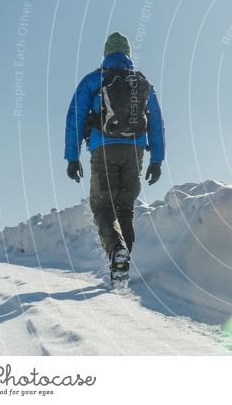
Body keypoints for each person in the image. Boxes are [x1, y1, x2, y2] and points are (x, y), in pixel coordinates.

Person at [64, 32, 165, 285]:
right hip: (135, 150)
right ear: (128, 54)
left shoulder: (94, 79)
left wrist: (72, 157)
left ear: (106, 53)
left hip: (103, 148)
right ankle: (121, 266)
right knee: (125, 208)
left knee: (102, 205)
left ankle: (116, 255)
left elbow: (75, 117)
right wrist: (157, 160)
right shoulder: (142, 82)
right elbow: (156, 121)